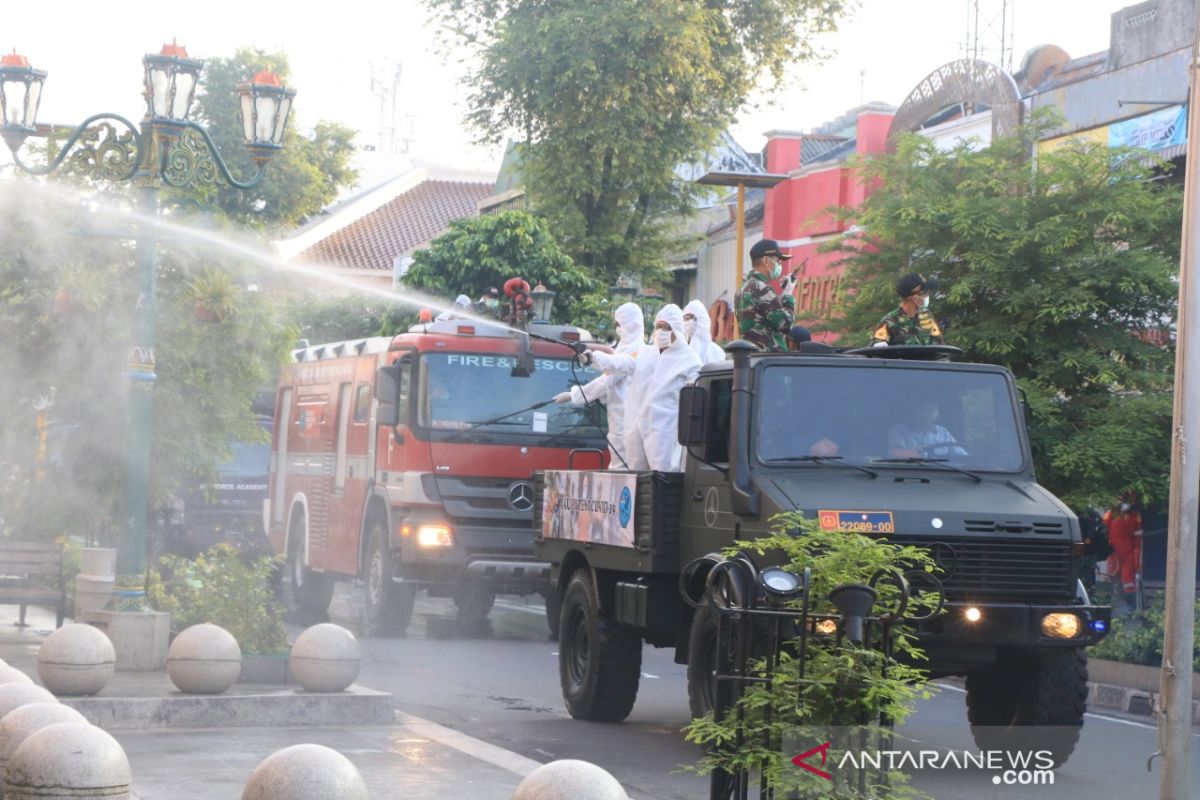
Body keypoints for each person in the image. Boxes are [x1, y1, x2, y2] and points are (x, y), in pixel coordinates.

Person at [584, 304, 702, 471]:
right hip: (637, 425)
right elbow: (621, 362)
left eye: (666, 327)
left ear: (676, 329)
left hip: (665, 431)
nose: (661, 331)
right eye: (658, 327)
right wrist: (593, 357)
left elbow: (695, 399)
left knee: (662, 475)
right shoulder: (645, 354)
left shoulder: (690, 361)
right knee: (637, 478)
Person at [552, 302, 646, 468]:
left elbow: (610, 375)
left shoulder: (640, 352)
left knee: (626, 470)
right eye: (615, 324)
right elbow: (609, 379)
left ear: (631, 324)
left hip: (628, 424)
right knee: (619, 468)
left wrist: (575, 394)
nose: (617, 328)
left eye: (619, 324)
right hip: (617, 423)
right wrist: (591, 360)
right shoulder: (623, 349)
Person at [737, 239, 797, 352]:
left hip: (752, 357)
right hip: (769, 359)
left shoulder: (743, 288)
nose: (780, 265)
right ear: (766, 260)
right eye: (778, 260)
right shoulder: (761, 288)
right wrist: (788, 293)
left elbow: (766, 315)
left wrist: (781, 295)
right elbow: (785, 324)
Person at [872, 273, 944, 346]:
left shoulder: (926, 316)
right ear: (914, 298)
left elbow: (939, 347)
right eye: (924, 293)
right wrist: (880, 344)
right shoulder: (890, 321)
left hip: (925, 357)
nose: (927, 296)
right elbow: (877, 346)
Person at [1103, 494, 1142, 611]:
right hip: (1113, 553)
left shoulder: (1136, 517)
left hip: (1129, 553)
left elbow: (1138, 538)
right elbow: (1104, 532)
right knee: (1111, 577)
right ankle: (1108, 607)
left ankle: (1131, 609)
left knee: (1128, 580)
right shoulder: (1110, 515)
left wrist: (1136, 556)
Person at [887, 400, 959, 458]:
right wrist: (917, 453)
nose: (923, 416)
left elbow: (960, 453)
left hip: (942, 472)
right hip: (912, 472)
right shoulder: (898, 430)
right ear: (914, 411)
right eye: (921, 410)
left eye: (929, 413)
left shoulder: (942, 432)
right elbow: (897, 454)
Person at [683, 300, 726, 365]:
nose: (689, 322)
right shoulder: (682, 351)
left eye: (693, 318)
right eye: (686, 318)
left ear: (703, 320)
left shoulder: (715, 351)